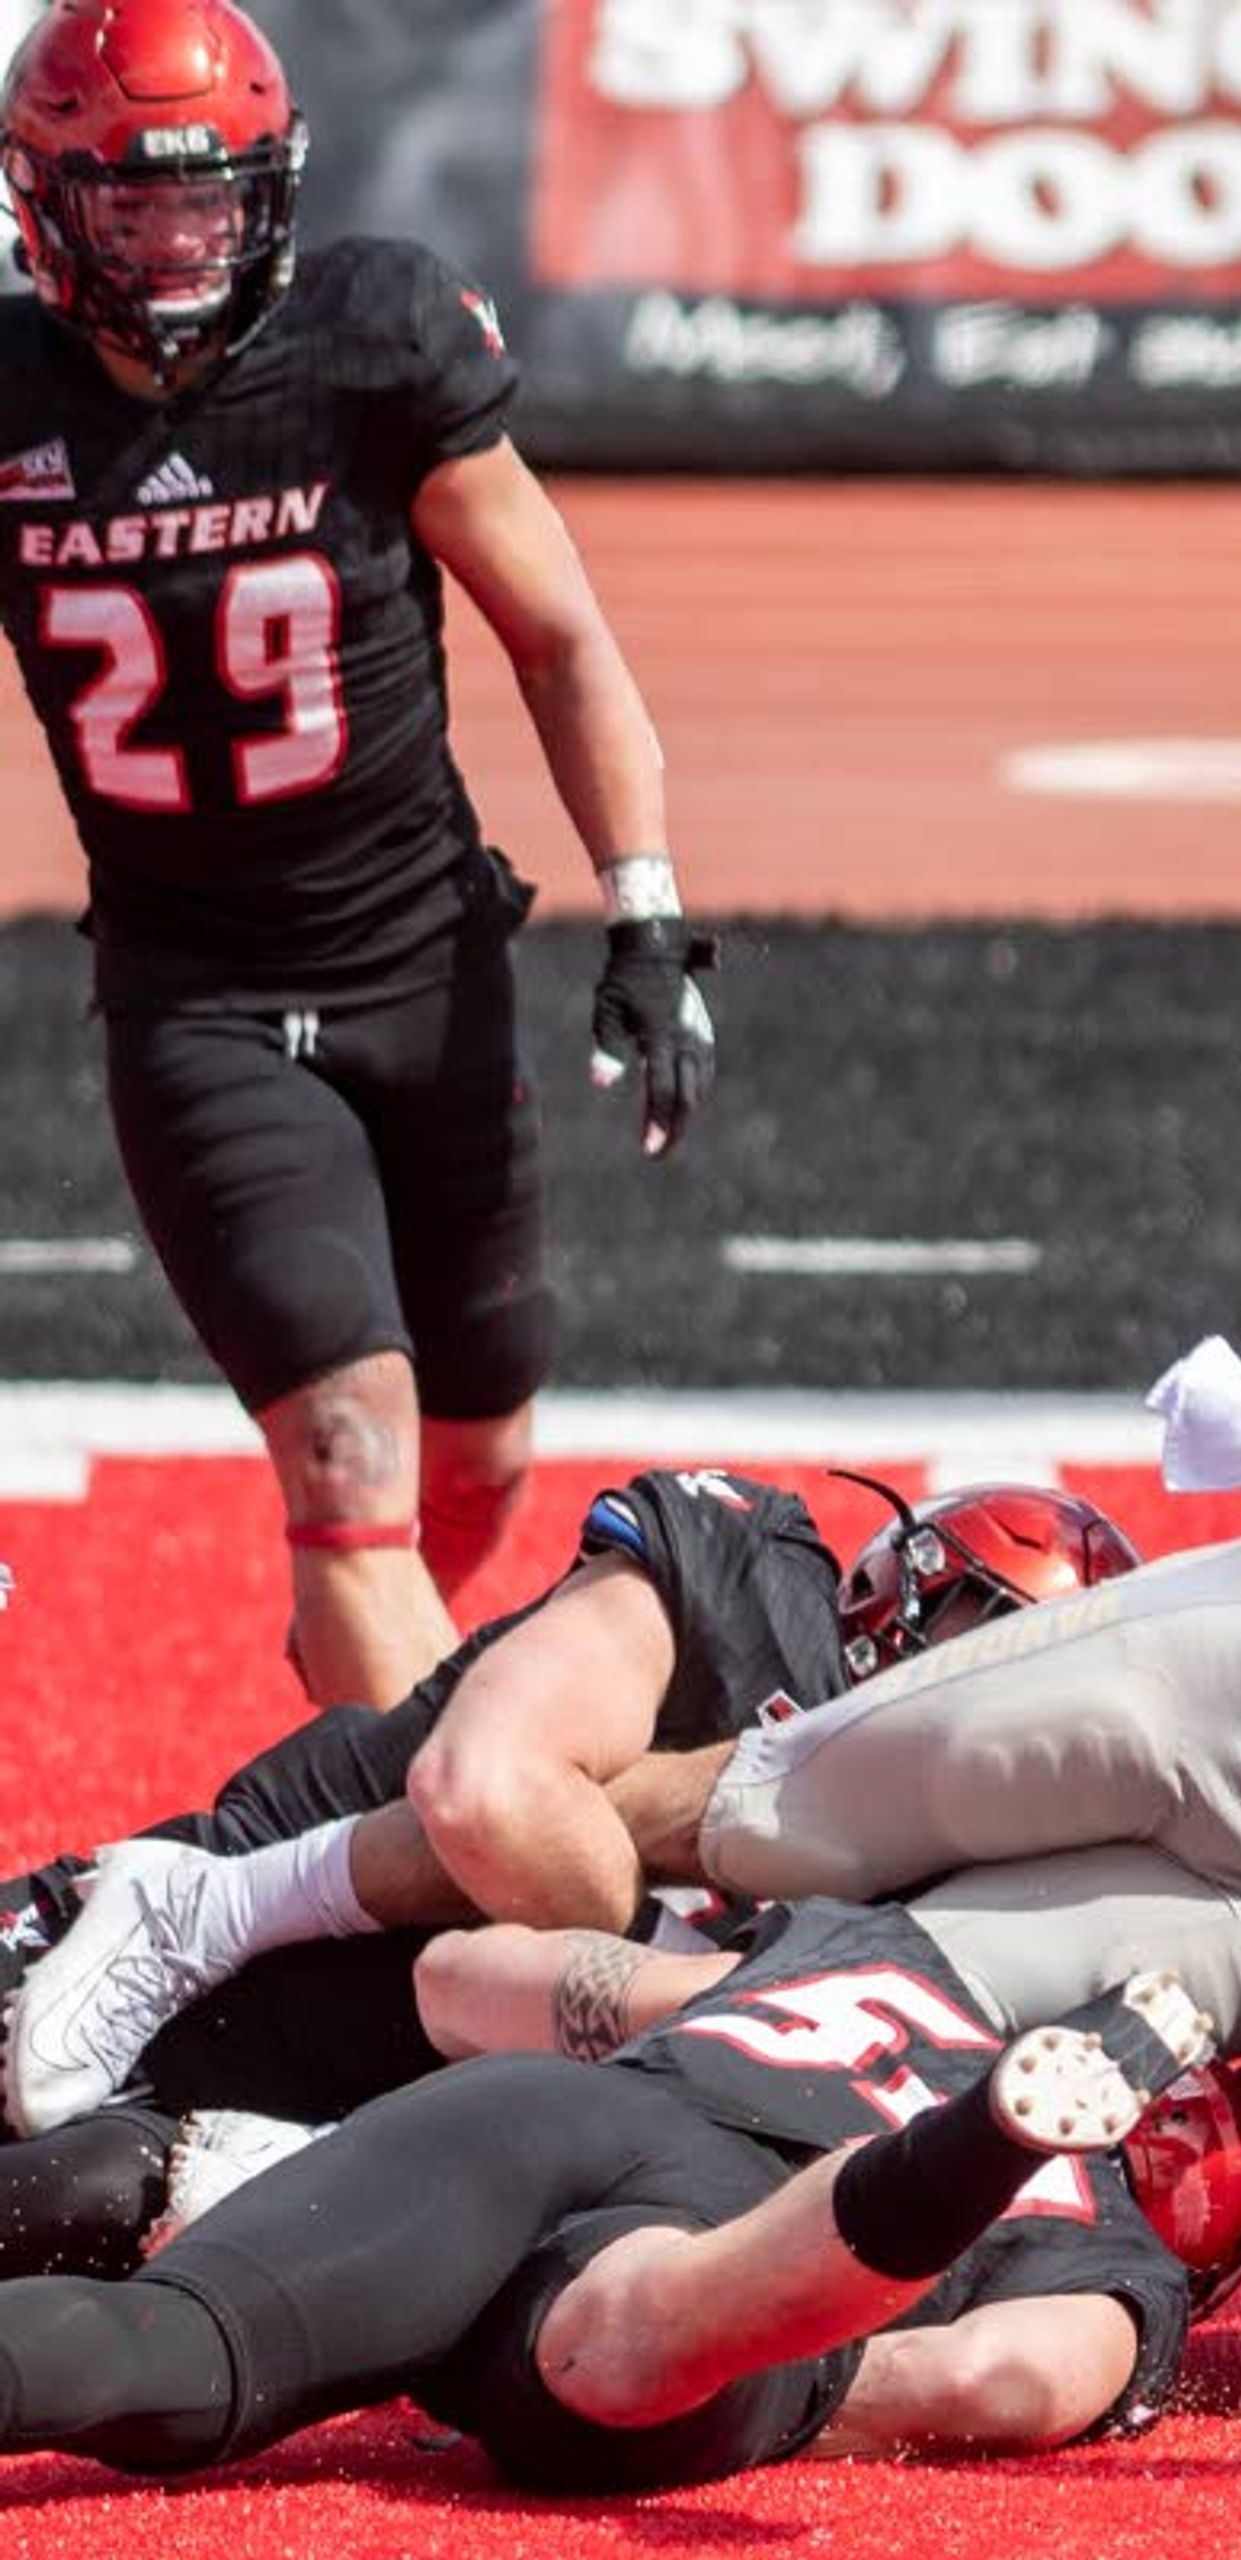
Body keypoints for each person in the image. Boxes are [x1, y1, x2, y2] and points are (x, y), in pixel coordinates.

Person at [0, 2, 719, 1711]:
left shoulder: (370, 341)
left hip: (429, 966)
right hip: (201, 999)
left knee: (477, 1452)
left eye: (207, 202)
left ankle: (350, 1731)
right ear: (41, 209)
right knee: (346, 1449)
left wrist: (646, 903)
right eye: (133, 208)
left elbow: (559, 633)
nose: (178, 249)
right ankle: (412, 1861)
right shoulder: (9, 401)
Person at [2, 1477, 1139, 2138]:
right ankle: (190, 1909)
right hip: (165, 1961)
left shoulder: (962, 1871)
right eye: (990, 1658)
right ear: (915, 1591)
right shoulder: (754, 1575)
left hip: (316, 2126)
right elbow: (488, 1795)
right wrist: (703, 1985)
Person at [0, 1918, 1206, 2493]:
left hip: (551, 2117)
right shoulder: (1112, 2243)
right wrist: (797, 2394)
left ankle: (907, 2182)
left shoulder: (876, 1947)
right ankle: (947, 2165)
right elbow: (1007, 2378)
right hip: (720, 2257)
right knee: (645, 2332)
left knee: (169, 2343)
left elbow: (462, 1978)